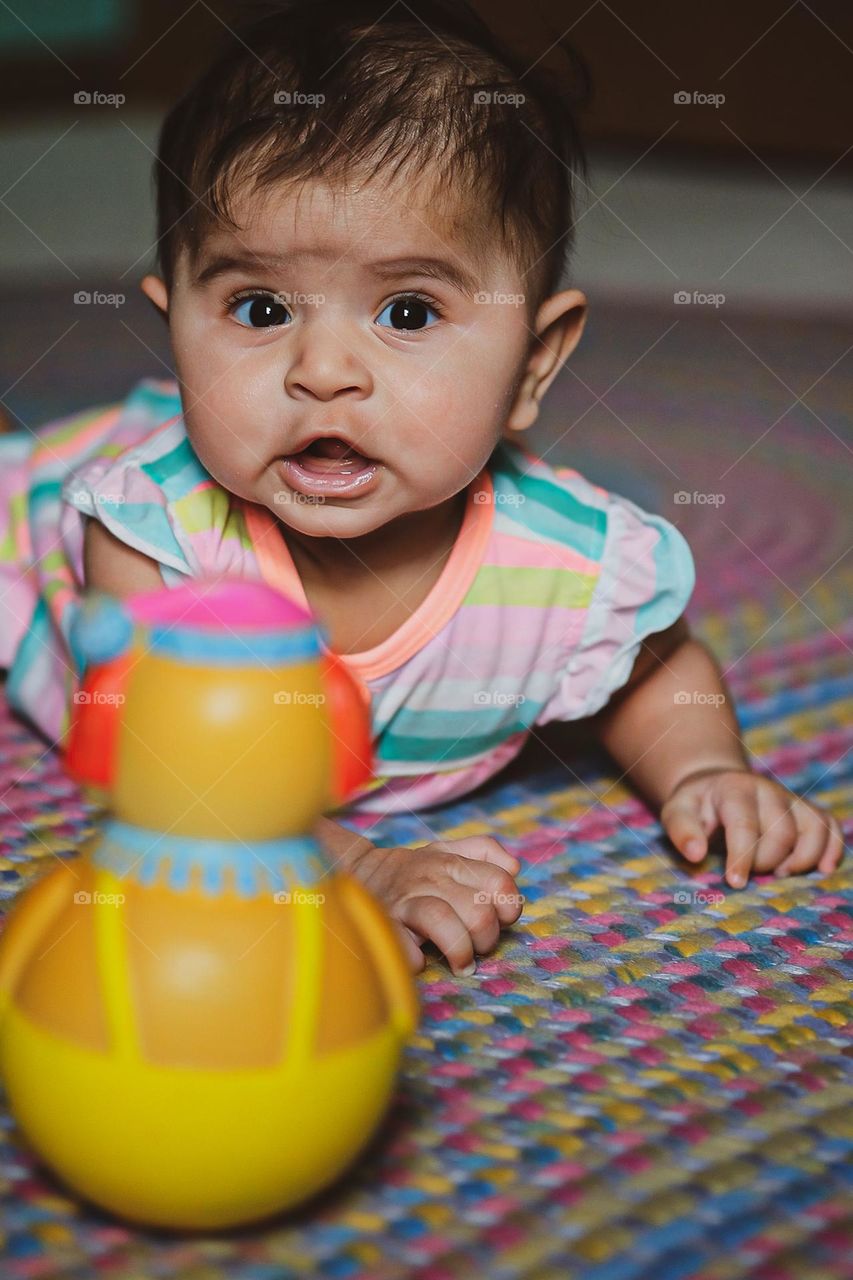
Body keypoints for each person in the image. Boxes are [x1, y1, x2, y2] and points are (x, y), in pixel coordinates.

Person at [0, 0, 843, 977]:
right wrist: (354, 861)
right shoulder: (154, 538)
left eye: (407, 310)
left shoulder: (565, 563)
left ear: (532, 363)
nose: (321, 368)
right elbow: (183, 770)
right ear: (174, 326)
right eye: (259, 307)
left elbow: (656, 668)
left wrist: (706, 767)